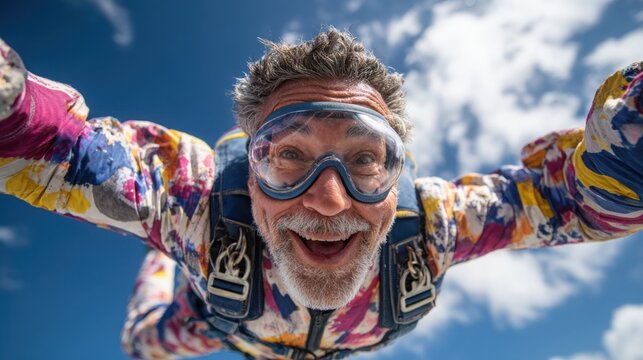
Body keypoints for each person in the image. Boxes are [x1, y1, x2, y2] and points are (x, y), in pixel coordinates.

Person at [0, 27, 641, 359]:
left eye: (366, 161)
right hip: (217, 322)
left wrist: (631, 141)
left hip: (342, 334)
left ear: (400, 175)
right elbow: (55, 146)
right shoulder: (195, 200)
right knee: (140, 346)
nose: (328, 202)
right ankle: (161, 259)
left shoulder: (438, 222)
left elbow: (573, 202)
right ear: (248, 171)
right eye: (289, 158)